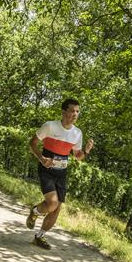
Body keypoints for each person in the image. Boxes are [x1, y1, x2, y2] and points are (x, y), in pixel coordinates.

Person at [26, 98, 94, 249]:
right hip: (46, 169)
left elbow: (78, 156)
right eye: (72, 111)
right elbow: (32, 143)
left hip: (62, 172)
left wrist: (86, 151)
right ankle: (35, 211)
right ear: (63, 112)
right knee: (52, 203)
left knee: (56, 209)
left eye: (77, 111)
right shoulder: (50, 126)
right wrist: (41, 158)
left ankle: (39, 237)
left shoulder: (77, 133)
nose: (75, 114)